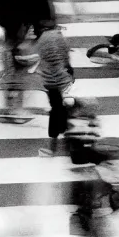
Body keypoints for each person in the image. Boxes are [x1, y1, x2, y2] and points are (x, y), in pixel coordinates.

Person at [33, 17, 73, 153]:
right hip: (63, 78)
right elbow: (66, 54)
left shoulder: (41, 40)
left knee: (56, 107)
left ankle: (53, 142)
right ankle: (65, 131)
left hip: (49, 80)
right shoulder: (58, 37)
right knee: (62, 106)